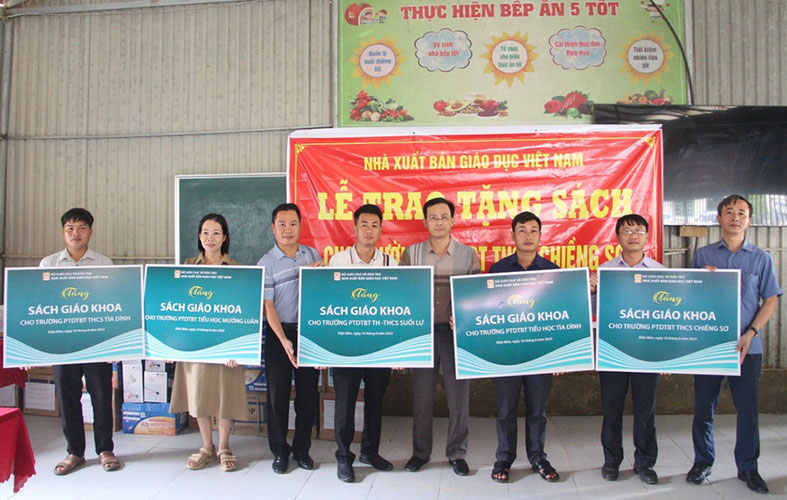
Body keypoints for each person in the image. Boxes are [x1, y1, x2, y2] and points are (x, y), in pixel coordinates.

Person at [686, 195, 781, 494]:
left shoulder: (761, 258)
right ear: (719, 219)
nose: (735, 217)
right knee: (703, 409)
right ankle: (702, 462)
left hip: (746, 347)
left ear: (749, 220)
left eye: (741, 213)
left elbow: (771, 300)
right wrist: (699, 280)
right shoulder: (702, 256)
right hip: (709, 347)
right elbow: (689, 298)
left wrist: (751, 333)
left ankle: (748, 468)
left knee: (748, 411)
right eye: (729, 212)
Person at [400, 197, 480, 476]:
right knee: (421, 397)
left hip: (454, 334)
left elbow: (474, 297)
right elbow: (404, 295)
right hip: (422, 333)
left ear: (452, 220)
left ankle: (457, 453)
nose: (438, 222)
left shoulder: (468, 254)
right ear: (424, 221)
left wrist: (465, 317)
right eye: (433, 217)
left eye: (443, 217)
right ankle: (420, 453)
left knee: (459, 396)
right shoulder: (411, 254)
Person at [40, 208, 121, 475]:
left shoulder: (103, 264)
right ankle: (74, 452)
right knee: (68, 397)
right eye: (70, 228)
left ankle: (105, 450)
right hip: (62, 346)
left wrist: (114, 346)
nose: (76, 234)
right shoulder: (48, 265)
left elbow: (112, 305)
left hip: (96, 343)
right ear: (63, 232)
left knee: (101, 396)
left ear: (90, 231)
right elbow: (41, 305)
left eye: (81, 228)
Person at [169, 213, 248, 472]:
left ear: (224, 237)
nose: (210, 238)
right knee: (199, 393)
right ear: (199, 236)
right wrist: (170, 345)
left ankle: (224, 445)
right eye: (205, 232)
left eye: (216, 232)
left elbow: (243, 310)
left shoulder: (237, 270)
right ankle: (206, 446)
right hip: (196, 345)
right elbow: (175, 308)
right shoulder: (186, 267)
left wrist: (237, 348)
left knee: (226, 395)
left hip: (226, 347)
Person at [589, 214, 663, 484]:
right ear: (617, 237)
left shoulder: (660, 273)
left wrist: (667, 359)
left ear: (646, 237)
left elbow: (668, 318)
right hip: (612, 352)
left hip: (648, 354)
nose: (633, 235)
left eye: (639, 230)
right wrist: (591, 292)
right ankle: (611, 461)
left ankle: (645, 463)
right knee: (611, 410)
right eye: (627, 230)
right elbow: (593, 314)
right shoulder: (605, 272)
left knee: (646, 410)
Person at [488, 211, 559, 483]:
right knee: (505, 410)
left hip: (541, 355)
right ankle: (503, 459)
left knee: (537, 410)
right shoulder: (498, 271)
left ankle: (538, 457)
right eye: (522, 230)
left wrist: (559, 356)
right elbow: (488, 313)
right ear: (513, 235)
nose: (528, 235)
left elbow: (560, 314)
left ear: (540, 236)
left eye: (533, 230)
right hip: (507, 354)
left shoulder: (552, 272)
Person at [328, 204, 397, 483]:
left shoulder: (391, 263)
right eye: (364, 224)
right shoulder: (338, 262)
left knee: (375, 401)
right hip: (346, 346)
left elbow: (397, 304)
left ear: (381, 229)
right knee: (344, 402)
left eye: (374, 225)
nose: (369, 230)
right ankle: (344, 457)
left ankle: (370, 451)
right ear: (354, 228)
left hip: (380, 346)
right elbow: (330, 304)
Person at [257, 203, 323, 474]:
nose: (287, 229)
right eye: (281, 224)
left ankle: (302, 449)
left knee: (308, 395)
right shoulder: (266, 262)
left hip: (307, 333)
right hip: (277, 333)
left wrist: (321, 276)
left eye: (293, 223)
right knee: (278, 396)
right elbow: (268, 306)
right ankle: (280, 452)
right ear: (273, 228)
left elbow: (321, 294)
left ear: (300, 226)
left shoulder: (312, 254)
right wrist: (284, 340)